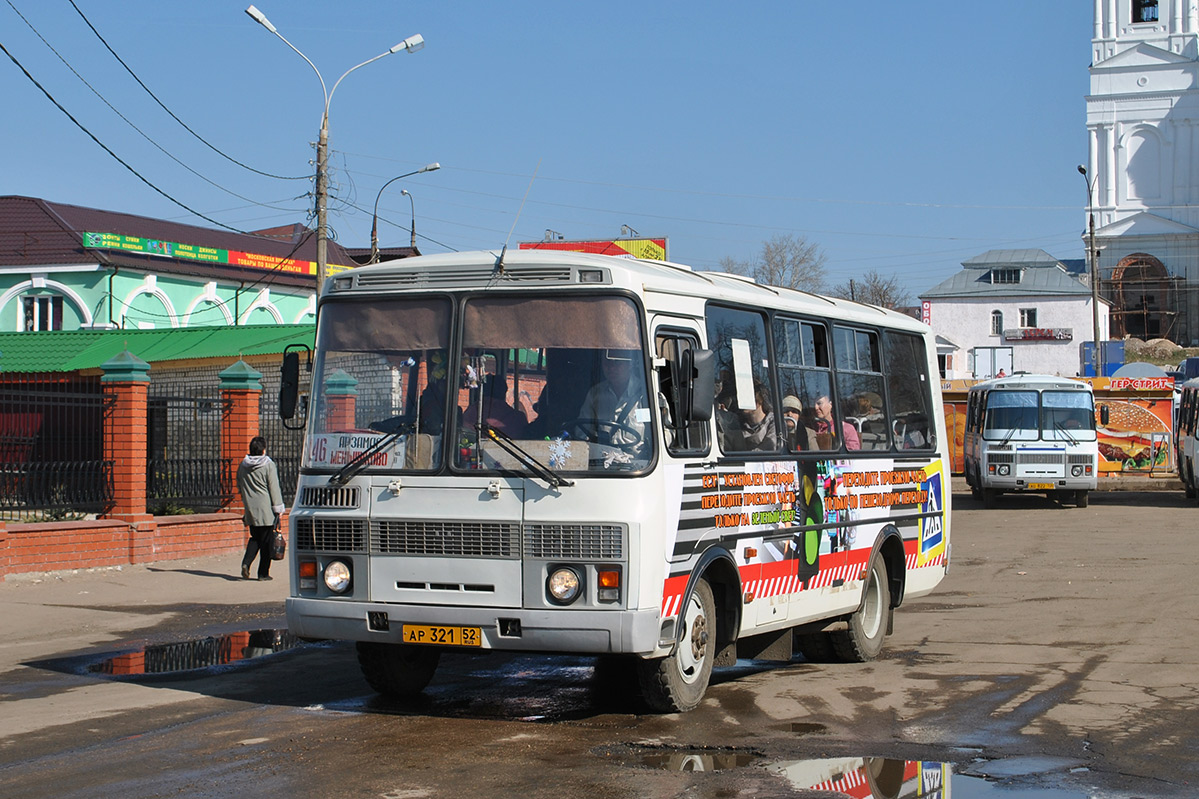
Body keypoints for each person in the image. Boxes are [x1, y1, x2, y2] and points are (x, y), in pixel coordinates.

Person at [576, 349, 648, 449]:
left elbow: (666, 433)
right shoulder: (595, 394)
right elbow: (582, 430)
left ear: (630, 364)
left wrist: (649, 448)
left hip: (639, 462)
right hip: (602, 460)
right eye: (607, 362)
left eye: (617, 362)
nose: (611, 368)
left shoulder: (646, 394)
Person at [237, 436, 285, 581]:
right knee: (266, 542)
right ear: (263, 449)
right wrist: (278, 508)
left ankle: (246, 563)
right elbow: (274, 487)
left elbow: (239, 484)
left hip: (251, 508)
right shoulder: (268, 464)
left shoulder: (243, 465)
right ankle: (263, 573)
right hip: (266, 509)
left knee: (255, 538)